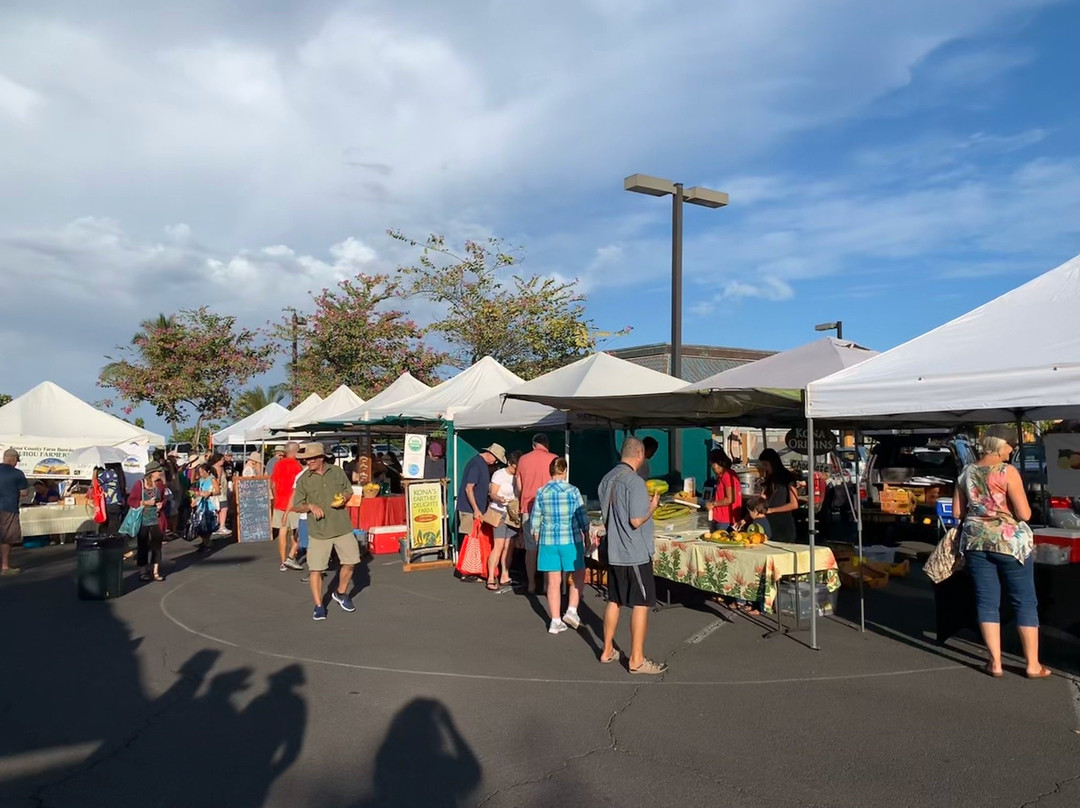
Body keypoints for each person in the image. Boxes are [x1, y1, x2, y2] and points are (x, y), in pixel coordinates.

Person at [955, 425, 1049, 679]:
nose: (1012, 450)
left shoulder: (967, 471)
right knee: (1024, 601)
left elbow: (956, 513)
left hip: (975, 542)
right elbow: (1025, 514)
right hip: (1009, 543)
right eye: (1010, 446)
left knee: (987, 601)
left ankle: (994, 662)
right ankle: (1032, 664)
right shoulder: (1008, 472)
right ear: (1000, 445)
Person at [598, 437, 665, 674]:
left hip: (614, 549)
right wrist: (652, 507)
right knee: (641, 603)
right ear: (639, 454)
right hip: (634, 552)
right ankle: (636, 659)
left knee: (614, 600)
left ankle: (607, 650)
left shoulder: (607, 479)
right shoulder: (635, 482)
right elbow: (636, 520)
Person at [291, 443, 359, 621]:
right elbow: (297, 505)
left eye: (311, 458)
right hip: (319, 531)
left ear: (321, 458)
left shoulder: (337, 472)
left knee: (351, 562)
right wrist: (310, 506)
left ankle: (341, 593)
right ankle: (319, 605)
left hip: (342, 527)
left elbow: (348, 491)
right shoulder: (304, 479)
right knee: (316, 569)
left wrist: (344, 498)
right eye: (306, 459)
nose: (308, 462)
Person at [531, 457, 590, 634]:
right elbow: (581, 515)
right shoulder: (573, 491)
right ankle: (572, 610)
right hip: (570, 539)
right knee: (578, 573)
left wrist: (536, 536)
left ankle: (555, 620)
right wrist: (586, 534)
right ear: (564, 471)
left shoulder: (541, 492)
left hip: (548, 540)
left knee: (553, 581)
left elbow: (535, 519)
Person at [515, 434, 558, 594]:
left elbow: (519, 487)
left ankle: (532, 584)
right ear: (547, 444)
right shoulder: (554, 459)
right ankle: (548, 585)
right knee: (548, 547)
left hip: (528, 507)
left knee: (531, 548)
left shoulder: (523, 460)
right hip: (550, 509)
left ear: (533, 445)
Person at [486, 450, 521, 590]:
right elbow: (493, 493)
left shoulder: (519, 476)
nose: (516, 470)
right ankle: (490, 577)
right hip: (499, 512)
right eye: (515, 467)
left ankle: (505, 575)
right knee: (499, 546)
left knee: (509, 546)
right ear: (509, 463)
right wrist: (498, 498)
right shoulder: (499, 474)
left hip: (513, 514)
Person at [456, 444, 505, 540]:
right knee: (469, 540)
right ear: (490, 454)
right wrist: (476, 509)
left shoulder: (481, 464)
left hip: (475, 509)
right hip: (469, 510)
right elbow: (469, 488)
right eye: (496, 459)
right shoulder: (476, 464)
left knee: (475, 540)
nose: (495, 462)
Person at [129, 461, 166, 581]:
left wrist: (161, 504)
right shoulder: (139, 484)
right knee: (143, 545)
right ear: (152, 473)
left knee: (157, 545)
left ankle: (155, 571)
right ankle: (143, 570)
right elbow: (131, 501)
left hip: (157, 518)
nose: (160, 473)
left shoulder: (160, 485)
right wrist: (145, 503)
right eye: (158, 471)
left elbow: (164, 499)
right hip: (143, 519)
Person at [271, 441, 304, 572]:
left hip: (280, 502)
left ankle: (283, 561)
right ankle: (292, 555)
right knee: (298, 531)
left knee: (282, 531)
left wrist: (276, 496)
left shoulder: (278, 464)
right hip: (294, 503)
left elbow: (273, 484)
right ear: (295, 451)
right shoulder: (297, 466)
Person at [759, 448, 798, 543]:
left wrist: (772, 510)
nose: (765, 468)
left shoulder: (787, 477)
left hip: (783, 524)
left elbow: (794, 504)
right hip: (770, 523)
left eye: (766, 465)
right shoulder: (770, 478)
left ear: (773, 463)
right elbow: (765, 497)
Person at [0, 448, 29, 575]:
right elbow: (24, 493)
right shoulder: (17, 474)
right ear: (13, 459)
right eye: (16, 460)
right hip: (8, 508)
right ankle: (5, 567)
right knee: (7, 537)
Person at [708, 448, 742, 531]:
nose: (712, 467)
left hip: (725, 520)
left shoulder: (727, 476)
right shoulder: (722, 476)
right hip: (720, 518)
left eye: (712, 464)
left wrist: (713, 504)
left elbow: (730, 499)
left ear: (718, 463)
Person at [191, 463, 219, 551]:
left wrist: (210, 493)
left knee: (206, 525)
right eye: (199, 472)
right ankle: (205, 541)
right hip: (201, 504)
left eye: (202, 472)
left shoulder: (212, 479)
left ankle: (207, 543)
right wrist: (195, 500)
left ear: (207, 471)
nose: (200, 474)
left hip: (209, 504)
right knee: (200, 525)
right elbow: (200, 491)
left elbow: (218, 491)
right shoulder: (201, 480)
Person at [97, 464, 126, 533]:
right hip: (118, 503)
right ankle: (114, 540)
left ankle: (106, 540)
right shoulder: (120, 474)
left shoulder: (107, 473)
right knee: (114, 524)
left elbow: (96, 483)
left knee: (105, 525)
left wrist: (95, 471)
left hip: (108, 502)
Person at [209, 452, 231, 535]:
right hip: (220, 491)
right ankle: (222, 526)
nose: (223, 461)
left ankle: (216, 526)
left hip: (215, 491)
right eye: (222, 460)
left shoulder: (212, 467)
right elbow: (218, 480)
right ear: (217, 460)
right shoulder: (219, 468)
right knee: (224, 508)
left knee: (217, 508)